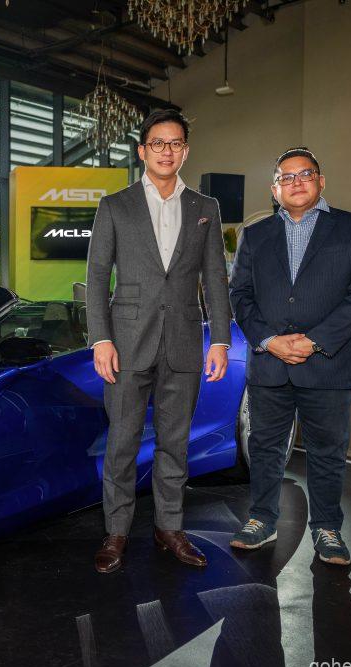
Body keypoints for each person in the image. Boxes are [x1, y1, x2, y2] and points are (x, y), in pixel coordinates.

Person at [86, 109, 232, 573]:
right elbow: (96, 276)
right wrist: (100, 339)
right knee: (122, 442)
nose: (166, 151)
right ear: (142, 150)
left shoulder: (205, 207)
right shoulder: (115, 205)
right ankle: (116, 531)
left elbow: (215, 276)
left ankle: (169, 527)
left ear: (185, 150)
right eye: (157, 143)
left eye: (175, 143)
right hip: (127, 342)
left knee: (175, 442)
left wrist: (221, 339)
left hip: (185, 341)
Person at [228, 147, 351, 566]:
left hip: (329, 361)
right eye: (286, 177)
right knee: (264, 446)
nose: (296, 182)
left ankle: (327, 528)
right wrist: (269, 340)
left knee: (327, 450)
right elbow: (240, 295)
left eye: (305, 174)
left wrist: (313, 341)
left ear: (321, 181)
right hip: (269, 363)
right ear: (275, 188)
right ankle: (262, 519)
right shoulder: (254, 236)